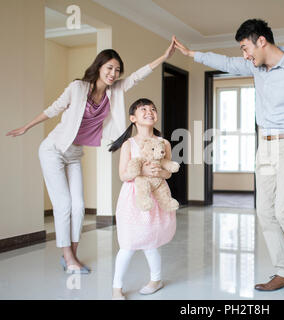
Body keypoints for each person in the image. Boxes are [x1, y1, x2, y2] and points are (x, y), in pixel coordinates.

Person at [174, 19, 284, 295]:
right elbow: (226, 63)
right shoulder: (257, 66)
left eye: (245, 48)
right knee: (264, 211)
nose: (244, 55)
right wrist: (192, 54)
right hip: (264, 145)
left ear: (261, 41)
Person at [6, 38, 176, 274]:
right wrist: (27, 127)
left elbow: (138, 75)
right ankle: (68, 257)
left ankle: (71, 256)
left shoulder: (114, 92)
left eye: (117, 70)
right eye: (109, 68)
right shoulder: (77, 88)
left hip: (74, 153)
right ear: (99, 67)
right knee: (64, 204)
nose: (113, 73)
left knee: (79, 206)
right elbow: (53, 109)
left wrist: (164, 57)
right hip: (53, 150)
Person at [109, 98, 176, 300]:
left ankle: (156, 279)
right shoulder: (129, 144)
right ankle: (116, 288)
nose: (150, 111)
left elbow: (168, 173)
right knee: (128, 243)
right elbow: (123, 175)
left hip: (156, 195)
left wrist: (159, 172)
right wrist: (142, 169)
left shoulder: (163, 142)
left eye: (153, 109)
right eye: (143, 109)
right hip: (134, 197)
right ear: (133, 118)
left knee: (151, 241)